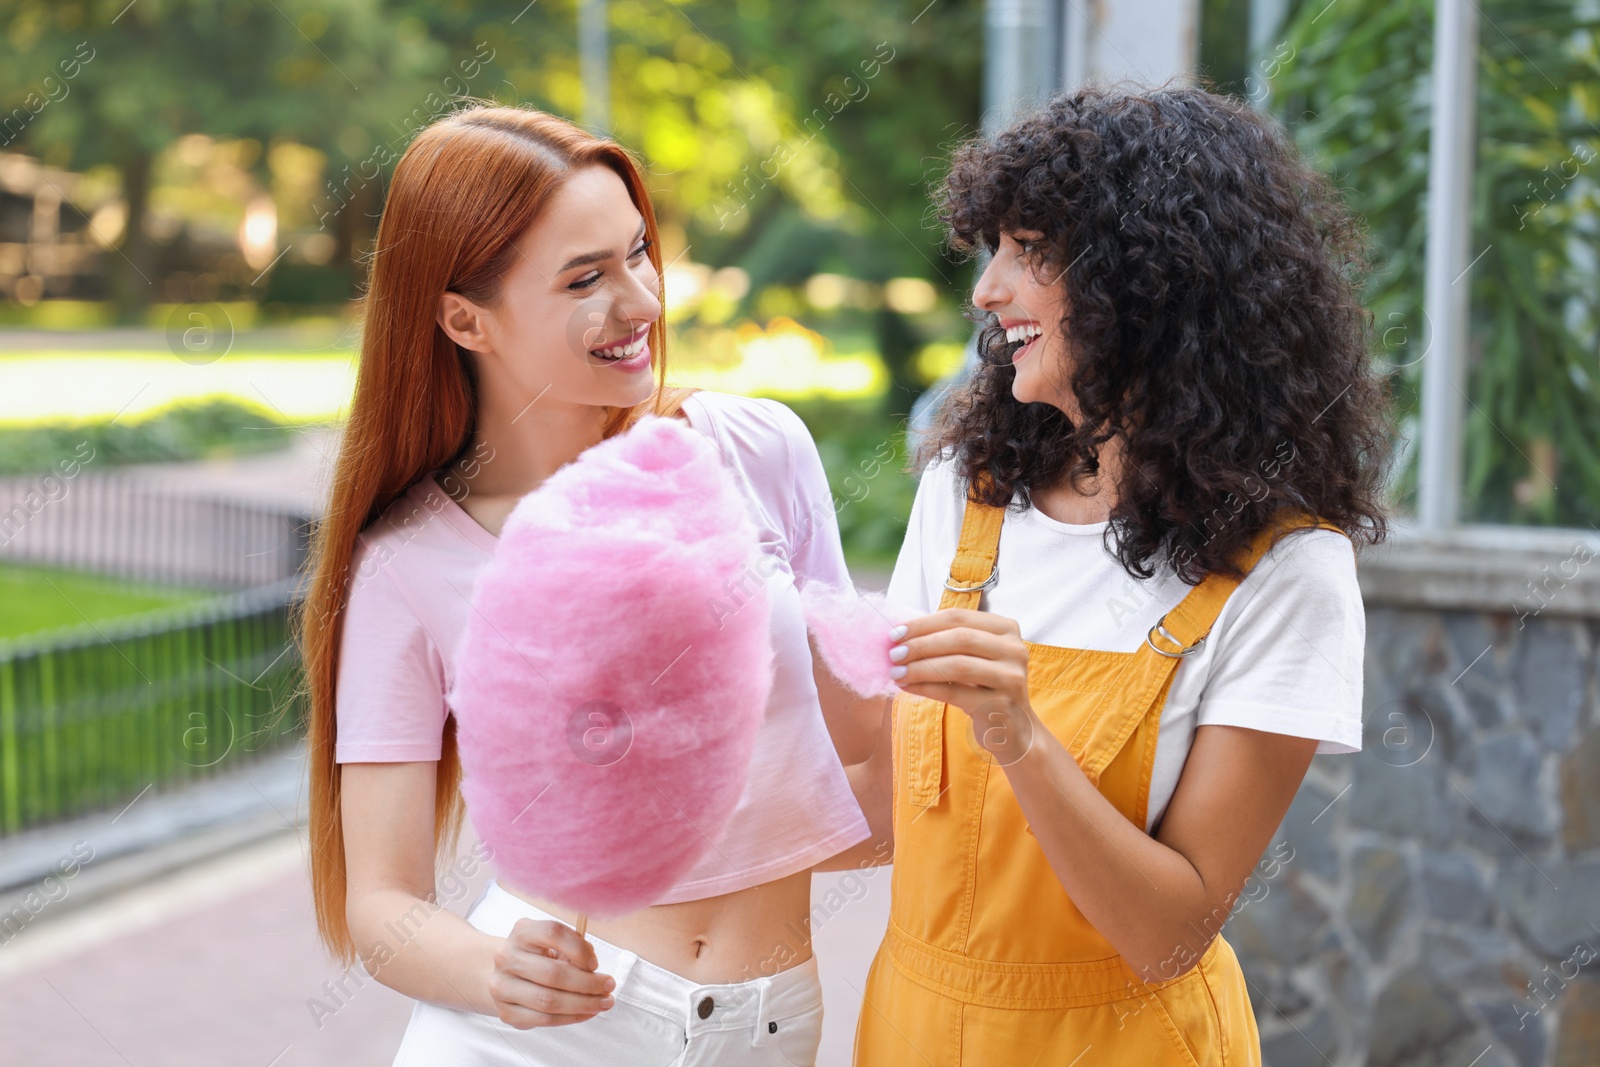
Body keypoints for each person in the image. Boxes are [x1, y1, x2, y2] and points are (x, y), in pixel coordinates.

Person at [293, 102, 883, 1066]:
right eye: (586, 278)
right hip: (539, 1039)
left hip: (768, 1026)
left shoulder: (756, 448)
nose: (643, 302)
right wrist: (492, 972)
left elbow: (866, 767)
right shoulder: (411, 563)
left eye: (639, 253)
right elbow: (382, 907)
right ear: (462, 317)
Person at [840, 84, 1394, 1064]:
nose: (987, 290)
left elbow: (1168, 936)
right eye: (993, 249)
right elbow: (888, 802)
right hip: (910, 1028)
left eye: (1030, 250)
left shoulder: (1286, 568)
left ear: (1150, 282)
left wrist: (1018, 734)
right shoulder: (964, 497)